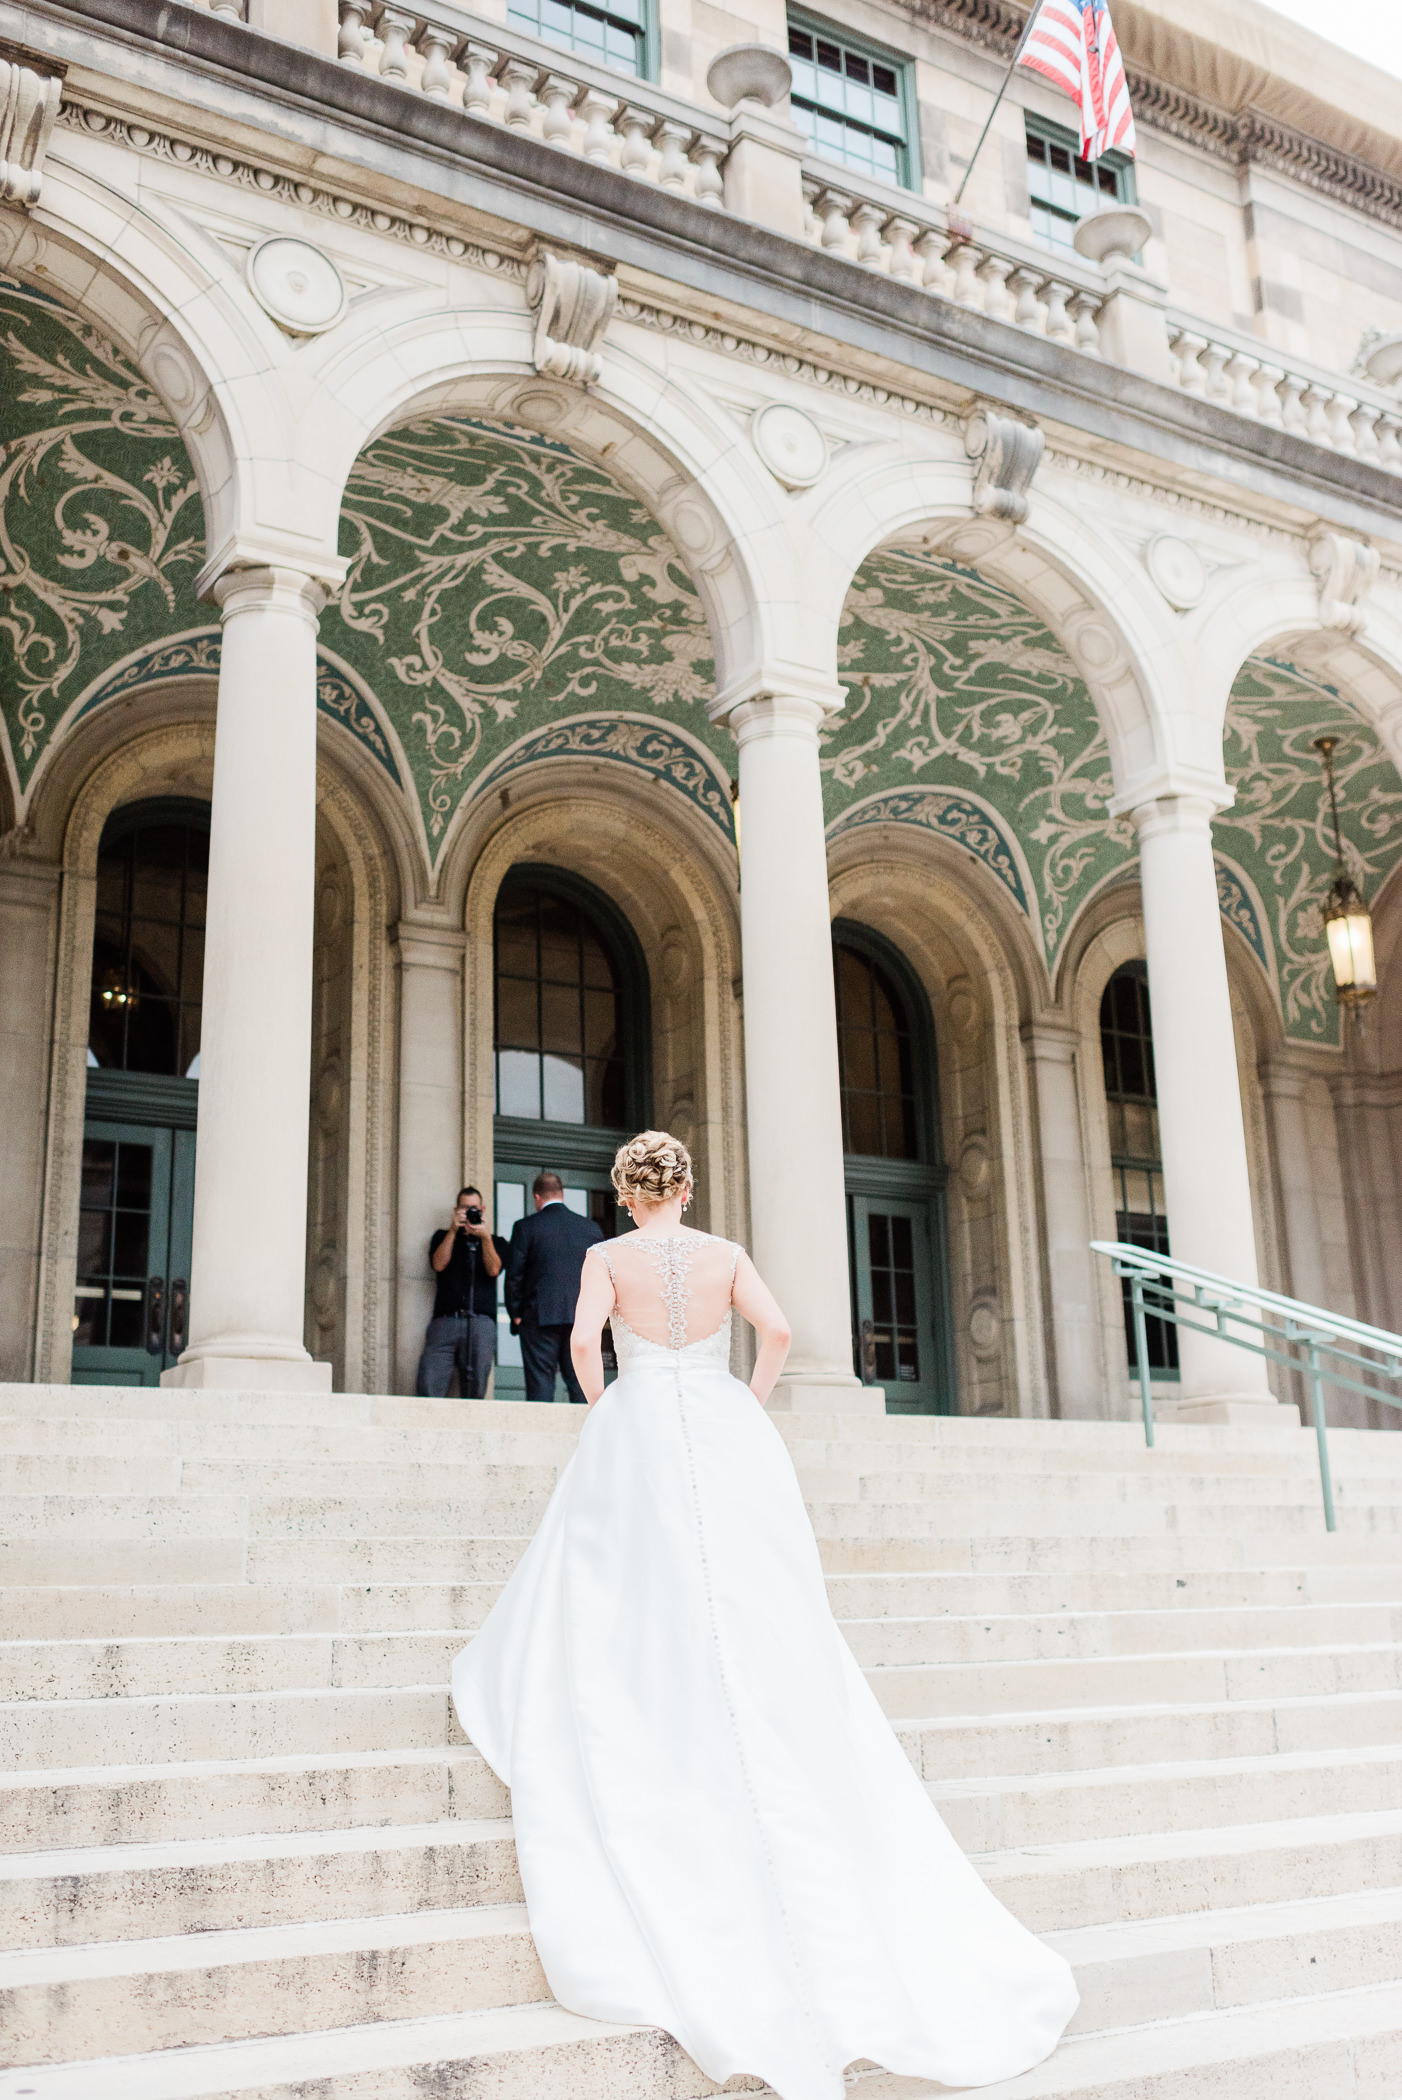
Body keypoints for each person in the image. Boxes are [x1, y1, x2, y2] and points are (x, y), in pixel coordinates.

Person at [452, 1130, 1077, 2100]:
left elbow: (580, 1345)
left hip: (643, 1416)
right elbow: (779, 1334)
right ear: (687, 1187)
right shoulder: (725, 1255)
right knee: (744, 1576)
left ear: (621, 1195)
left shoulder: (607, 1257)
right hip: (716, 1412)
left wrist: (606, 1404)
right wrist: (736, 1395)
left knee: (630, 1570)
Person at [503, 1171, 604, 1405]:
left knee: (540, 1383)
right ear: (562, 1194)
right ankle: (584, 1437)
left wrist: (515, 1313)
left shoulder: (526, 1227)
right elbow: (601, 1276)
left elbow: (514, 1275)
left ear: (537, 1197)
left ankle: (541, 1438)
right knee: (580, 1383)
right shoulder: (590, 1229)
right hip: (580, 1317)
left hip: (538, 1316)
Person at [415, 1186, 508, 1400]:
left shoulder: (496, 1242)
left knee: (477, 1387)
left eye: (474, 1208)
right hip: (445, 1321)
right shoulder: (442, 1236)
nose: (470, 1213)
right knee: (429, 1382)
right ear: (456, 1210)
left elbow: (494, 1269)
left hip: (481, 1322)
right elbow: (438, 1264)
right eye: (465, 1208)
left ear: (483, 1210)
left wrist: (485, 1238)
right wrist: (453, 1231)